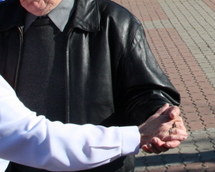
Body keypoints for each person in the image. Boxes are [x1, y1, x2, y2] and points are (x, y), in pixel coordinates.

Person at [0, 0, 181, 172]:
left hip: (98, 166)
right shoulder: (2, 20)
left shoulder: (113, 21)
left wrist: (159, 121)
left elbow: (145, 91)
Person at [0, 73, 187, 171]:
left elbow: (144, 86)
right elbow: (35, 138)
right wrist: (137, 135)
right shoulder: (7, 19)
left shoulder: (112, 19)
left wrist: (158, 115)